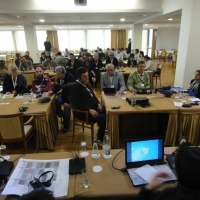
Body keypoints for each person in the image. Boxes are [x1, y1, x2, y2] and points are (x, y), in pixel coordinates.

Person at [70, 67, 106, 142]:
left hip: (92, 109)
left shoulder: (86, 84)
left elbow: (94, 97)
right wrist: (88, 110)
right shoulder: (75, 87)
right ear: (79, 78)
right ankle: (100, 138)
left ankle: (102, 131)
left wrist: (98, 104)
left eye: (87, 76)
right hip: (84, 113)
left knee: (106, 111)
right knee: (104, 118)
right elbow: (76, 104)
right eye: (84, 77)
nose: (87, 78)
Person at [48, 66, 75, 133]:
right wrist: (52, 91)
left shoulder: (70, 78)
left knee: (67, 108)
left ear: (63, 72)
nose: (58, 75)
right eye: (57, 74)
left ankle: (66, 125)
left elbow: (71, 92)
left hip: (71, 98)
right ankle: (62, 115)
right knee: (56, 102)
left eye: (59, 74)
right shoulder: (60, 78)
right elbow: (57, 86)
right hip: (64, 95)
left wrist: (67, 102)